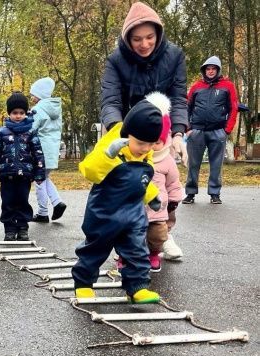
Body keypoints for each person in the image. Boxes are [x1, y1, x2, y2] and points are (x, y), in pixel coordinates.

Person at [72, 92, 170, 304]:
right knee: (94, 250)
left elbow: (142, 180)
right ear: (127, 136)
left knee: (137, 250)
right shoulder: (111, 148)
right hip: (104, 213)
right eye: (140, 143)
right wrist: (108, 156)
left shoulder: (145, 154)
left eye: (150, 145)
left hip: (133, 214)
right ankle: (83, 284)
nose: (145, 149)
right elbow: (89, 171)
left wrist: (151, 196)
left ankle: (137, 287)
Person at [100, 1, 188, 161]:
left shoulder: (175, 57)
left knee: (162, 179)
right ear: (128, 39)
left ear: (158, 34)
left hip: (160, 132)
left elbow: (178, 99)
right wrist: (118, 132)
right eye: (137, 39)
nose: (144, 44)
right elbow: (111, 102)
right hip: (127, 130)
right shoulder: (115, 61)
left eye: (150, 37)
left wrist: (178, 134)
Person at [0, 92, 45, 241]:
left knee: (22, 201)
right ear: (9, 113)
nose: (18, 116)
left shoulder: (30, 133)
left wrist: (39, 174)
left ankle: (23, 227)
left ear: (26, 113)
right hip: (7, 176)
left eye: (21, 113)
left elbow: (38, 154)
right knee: (8, 202)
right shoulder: (1, 133)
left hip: (25, 176)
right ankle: (10, 228)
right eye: (14, 113)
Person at [183, 56, 238, 205]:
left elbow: (233, 108)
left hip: (218, 131)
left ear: (218, 70)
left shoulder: (228, 86)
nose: (211, 71)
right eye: (208, 68)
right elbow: (186, 107)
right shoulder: (196, 86)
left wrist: (226, 130)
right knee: (193, 164)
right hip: (197, 132)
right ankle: (190, 193)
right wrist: (188, 128)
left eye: (214, 68)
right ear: (204, 70)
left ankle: (214, 193)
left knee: (216, 164)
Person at [29, 77, 66, 223]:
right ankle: (57, 203)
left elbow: (32, 129)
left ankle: (43, 213)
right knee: (44, 178)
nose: (31, 97)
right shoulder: (55, 109)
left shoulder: (38, 109)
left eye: (33, 94)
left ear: (40, 94)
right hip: (52, 150)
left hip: (40, 151)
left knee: (39, 181)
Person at [146, 128, 183, 269]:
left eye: (156, 142)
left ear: (164, 141)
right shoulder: (136, 157)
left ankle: (154, 254)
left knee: (157, 234)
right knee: (129, 233)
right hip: (135, 208)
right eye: (148, 142)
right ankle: (127, 256)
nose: (152, 146)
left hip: (158, 210)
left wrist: (173, 200)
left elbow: (173, 183)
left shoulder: (167, 161)